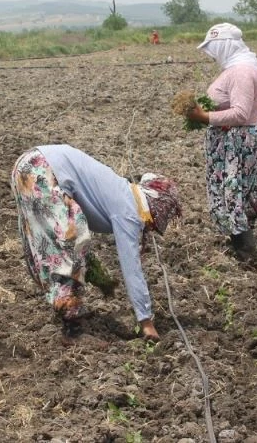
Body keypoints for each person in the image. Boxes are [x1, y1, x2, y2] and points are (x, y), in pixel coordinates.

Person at [10, 145, 182, 340]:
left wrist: (101, 280)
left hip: (27, 164)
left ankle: (70, 310)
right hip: (42, 169)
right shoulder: (130, 212)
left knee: (54, 241)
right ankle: (72, 325)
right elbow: (131, 267)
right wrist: (146, 321)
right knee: (69, 239)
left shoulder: (125, 191)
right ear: (155, 207)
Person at [184, 23, 257, 257]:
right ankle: (240, 246)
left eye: (214, 48)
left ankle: (246, 251)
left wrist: (204, 116)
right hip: (232, 140)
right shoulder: (239, 68)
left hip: (235, 141)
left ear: (225, 46)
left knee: (233, 196)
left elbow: (241, 113)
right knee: (234, 194)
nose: (212, 55)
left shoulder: (241, 71)